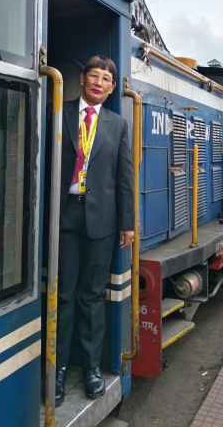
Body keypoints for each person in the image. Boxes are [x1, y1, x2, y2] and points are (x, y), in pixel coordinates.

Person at [56, 55, 134, 406]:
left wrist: (127, 224)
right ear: (83, 78)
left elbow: (124, 177)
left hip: (102, 223)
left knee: (92, 296)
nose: (99, 82)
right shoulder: (59, 109)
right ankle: (56, 369)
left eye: (106, 78)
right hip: (64, 217)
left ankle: (90, 368)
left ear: (112, 87)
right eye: (94, 75)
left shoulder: (117, 125)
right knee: (65, 296)